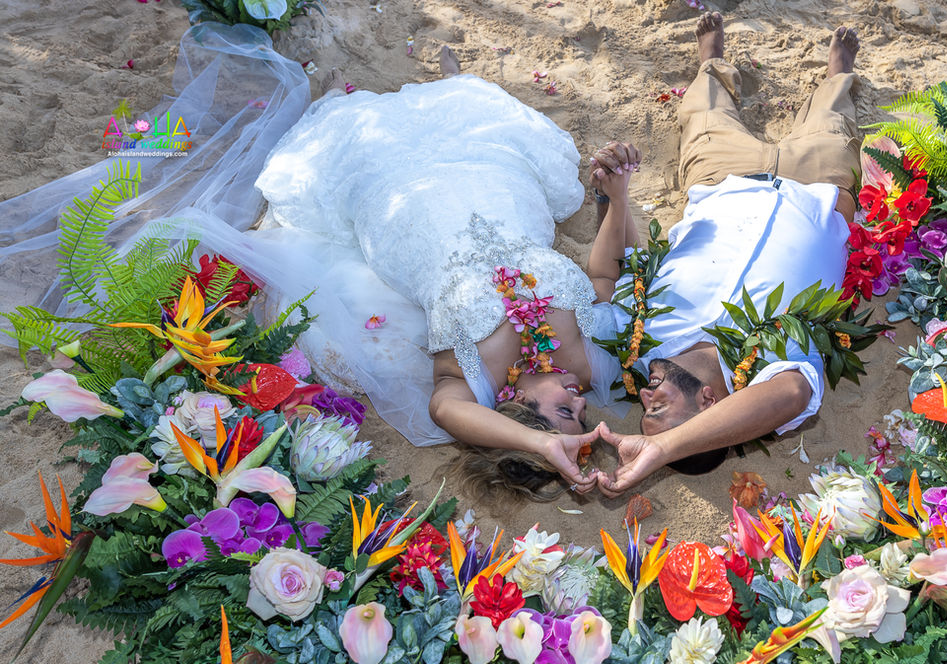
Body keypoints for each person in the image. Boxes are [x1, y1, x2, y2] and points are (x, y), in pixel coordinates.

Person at [247, 48, 645, 500]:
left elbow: (442, 410)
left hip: (409, 223)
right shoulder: (595, 366)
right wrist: (617, 198)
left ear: (515, 406)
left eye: (565, 413)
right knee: (478, 124)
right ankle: (455, 90)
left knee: (362, 151)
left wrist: (543, 443)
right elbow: (607, 280)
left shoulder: (474, 381)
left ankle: (337, 104)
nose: (581, 401)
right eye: (582, 412)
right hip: (502, 195)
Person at [587, 13, 862, 495]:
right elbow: (795, 394)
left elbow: (612, 277)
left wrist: (618, 196)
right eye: (657, 407)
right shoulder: (767, 370)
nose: (646, 393)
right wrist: (665, 448)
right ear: (709, 402)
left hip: (719, 182)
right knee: (834, 120)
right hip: (815, 191)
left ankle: (711, 62)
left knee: (705, 116)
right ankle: (837, 73)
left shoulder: (643, 340)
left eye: (645, 403)